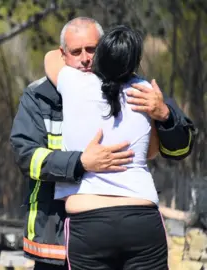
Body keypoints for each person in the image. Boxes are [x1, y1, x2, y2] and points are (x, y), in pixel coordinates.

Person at [10, 17, 196, 270]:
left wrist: (165, 114)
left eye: (92, 49)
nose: (85, 59)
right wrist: (79, 162)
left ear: (106, 49)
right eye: (76, 52)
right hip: (54, 236)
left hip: (92, 229)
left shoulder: (143, 94)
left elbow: (179, 148)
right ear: (63, 54)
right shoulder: (39, 97)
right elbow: (25, 156)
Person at [44, 24, 165, 270]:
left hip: (88, 222)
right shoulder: (146, 92)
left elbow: (51, 58)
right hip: (141, 219)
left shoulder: (73, 83)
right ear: (136, 61)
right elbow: (151, 151)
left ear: (101, 55)